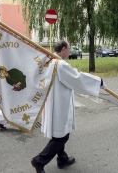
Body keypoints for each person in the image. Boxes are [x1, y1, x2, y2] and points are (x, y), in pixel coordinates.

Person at [31, 40, 107, 173]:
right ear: (64, 49)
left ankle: (62, 159)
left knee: (61, 132)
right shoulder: (60, 64)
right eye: (69, 49)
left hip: (54, 101)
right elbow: (77, 79)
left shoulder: (51, 61)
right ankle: (39, 161)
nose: (70, 51)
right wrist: (98, 81)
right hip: (59, 103)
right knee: (61, 136)